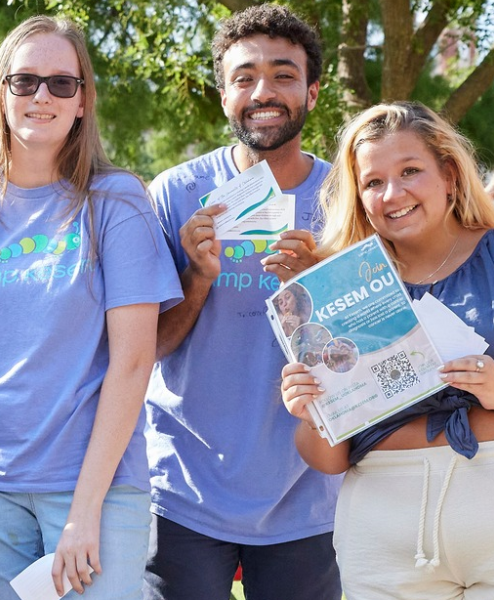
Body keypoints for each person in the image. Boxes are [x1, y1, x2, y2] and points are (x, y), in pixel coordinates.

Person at [279, 102, 494, 599]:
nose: (392, 193)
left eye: (410, 172)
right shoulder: (340, 294)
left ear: (449, 175)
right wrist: (315, 412)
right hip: (385, 527)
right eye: (373, 182)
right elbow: (329, 460)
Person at [0, 15, 181, 600]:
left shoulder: (117, 202)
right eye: (24, 81)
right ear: (1, 94)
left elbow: (132, 363)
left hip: (93, 483)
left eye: (61, 83)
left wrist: (83, 511)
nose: (41, 96)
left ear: (83, 100)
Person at [138, 6, 339, 598]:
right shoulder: (176, 193)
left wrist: (319, 284)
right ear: (224, 95)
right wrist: (198, 276)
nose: (263, 92)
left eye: (283, 74)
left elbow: (371, 347)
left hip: (308, 492)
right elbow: (146, 345)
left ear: (313, 91)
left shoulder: (347, 195)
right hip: (183, 488)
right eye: (244, 77)